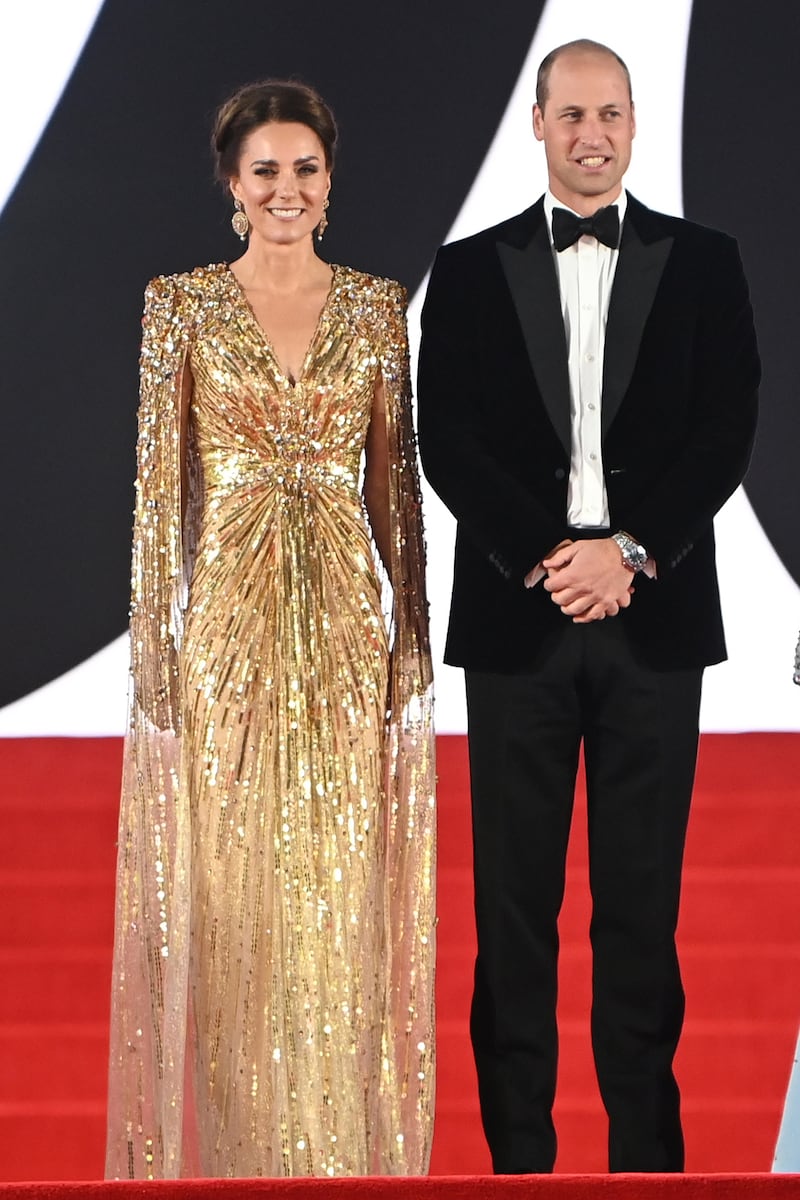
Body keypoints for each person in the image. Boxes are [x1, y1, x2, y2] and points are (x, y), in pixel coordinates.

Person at [417, 39, 759, 1174]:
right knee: (511, 920)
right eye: (570, 114)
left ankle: (645, 1169)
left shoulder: (705, 261)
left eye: (609, 112)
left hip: (651, 624)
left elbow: (725, 426)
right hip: (518, 628)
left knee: (639, 919)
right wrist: (545, 558)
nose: (591, 134)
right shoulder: (467, 270)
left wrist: (629, 551)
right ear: (534, 121)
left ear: (631, 122)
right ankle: (519, 1166)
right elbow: (447, 441)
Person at [105, 80, 435, 1180]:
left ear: (329, 183)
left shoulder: (378, 307)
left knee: (334, 905)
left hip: (344, 622)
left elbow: (395, 485)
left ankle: (338, 1159)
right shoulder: (179, 306)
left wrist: (410, 639)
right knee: (237, 910)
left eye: (304, 169)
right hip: (231, 632)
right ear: (231, 186)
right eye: (265, 171)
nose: (285, 190)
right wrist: (157, 650)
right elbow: (159, 499)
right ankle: (249, 1161)